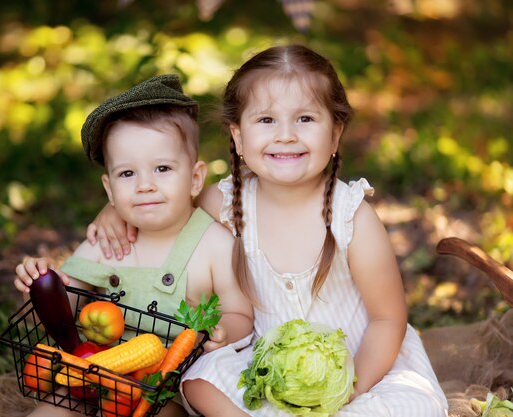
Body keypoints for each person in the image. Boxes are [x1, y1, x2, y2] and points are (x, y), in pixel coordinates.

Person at [85, 44, 448, 417]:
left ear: (336, 134)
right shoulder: (226, 203)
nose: (286, 135)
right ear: (239, 136)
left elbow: (388, 319)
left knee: (409, 402)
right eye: (266, 121)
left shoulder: (352, 217)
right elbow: (163, 205)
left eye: (305, 119)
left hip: (360, 369)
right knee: (200, 381)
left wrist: (349, 390)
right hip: (266, 372)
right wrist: (113, 211)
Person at [14, 74, 254, 417]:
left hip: (164, 392)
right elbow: (64, 300)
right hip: (92, 373)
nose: (145, 185)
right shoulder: (107, 243)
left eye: (162, 168)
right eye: (128, 174)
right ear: (110, 191)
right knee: (50, 413)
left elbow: (241, 313)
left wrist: (225, 330)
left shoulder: (214, 244)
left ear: (195, 178)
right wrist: (40, 281)